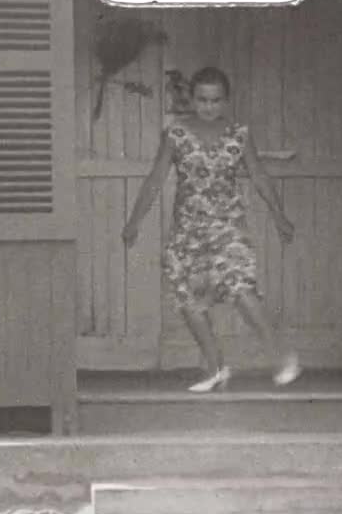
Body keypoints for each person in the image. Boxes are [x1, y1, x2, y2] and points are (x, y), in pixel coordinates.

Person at [122, 66, 301, 392]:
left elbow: (259, 176)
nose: (208, 106)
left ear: (226, 101)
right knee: (187, 296)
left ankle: (280, 356)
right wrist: (134, 221)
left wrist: (279, 216)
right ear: (191, 99)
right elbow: (155, 179)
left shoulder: (238, 135)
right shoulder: (175, 134)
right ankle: (216, 366)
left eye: (216, 100)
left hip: (227, 225)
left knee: (238, 285)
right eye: (202, 99)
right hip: (187, 228)